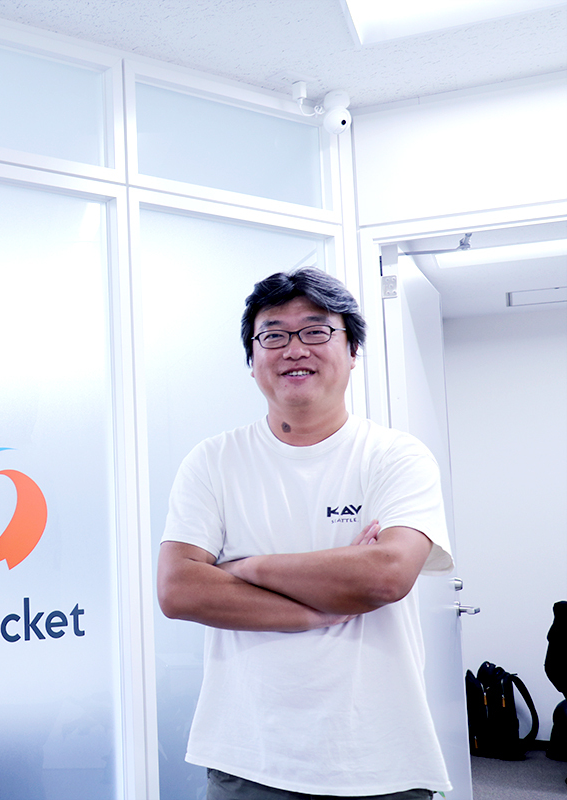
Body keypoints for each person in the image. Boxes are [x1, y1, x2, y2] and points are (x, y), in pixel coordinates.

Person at [156, 268, 454, 799]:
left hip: (379, 760)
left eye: (316, 331)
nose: (295, 349)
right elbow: (179, 590)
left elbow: (386, 576)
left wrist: (246, 568)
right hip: (248, 758)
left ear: (353, 350)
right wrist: (319, 608)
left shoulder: (396, 457)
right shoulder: (213, 461)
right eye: (273, 335)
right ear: (252, 359)